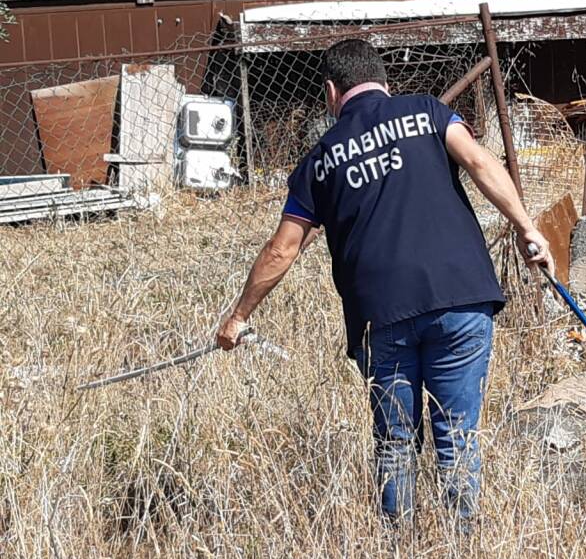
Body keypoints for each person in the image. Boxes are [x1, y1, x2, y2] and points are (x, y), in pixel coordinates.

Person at [217, 38, 551, 530]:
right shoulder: (428, 112)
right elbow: (481, 163)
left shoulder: (320, 162)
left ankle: (398, 552)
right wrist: (527, 228)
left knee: (395, 441)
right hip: (459, 297)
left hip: (382, 316)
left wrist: (239, 315)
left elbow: (283, 248)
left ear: (332, 92)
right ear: (384, 81)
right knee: (456, 435)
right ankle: (464, 549)